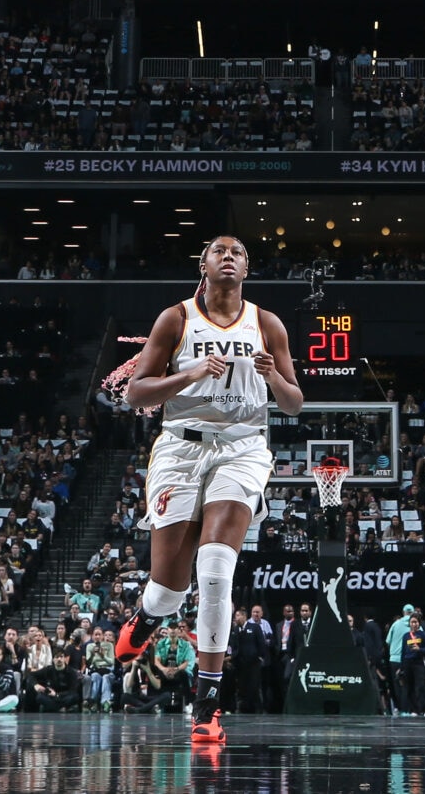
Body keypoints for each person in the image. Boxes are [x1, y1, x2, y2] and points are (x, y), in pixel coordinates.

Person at [110, 234, 306, 745]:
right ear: (203, 264)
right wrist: (190, 373)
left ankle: (208, 704)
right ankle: (148, 615)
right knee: (169, 589)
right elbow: (135, 394)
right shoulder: (175, 319)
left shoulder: (268, 324)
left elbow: (292, 404)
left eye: (237, 252)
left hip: (242, 448)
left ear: (247, 268)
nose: (228, 257)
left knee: (216, 568)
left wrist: (274, 379)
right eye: (219, 251)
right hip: (180, 447)